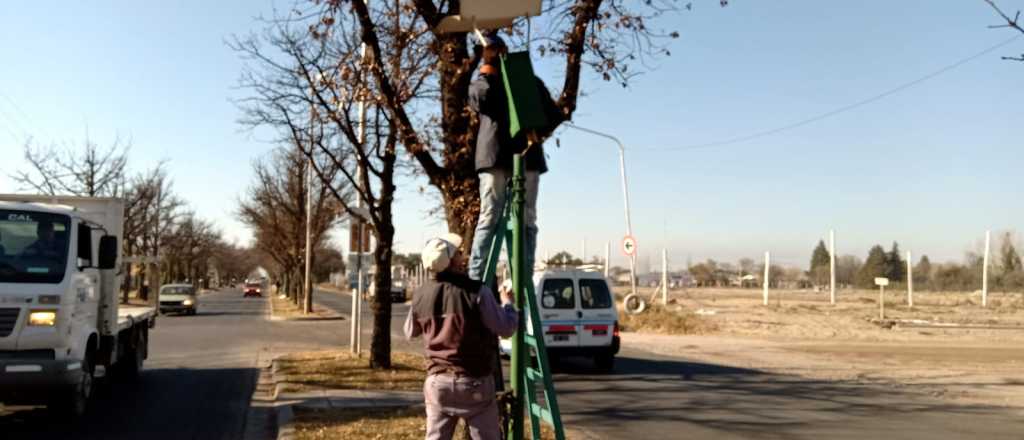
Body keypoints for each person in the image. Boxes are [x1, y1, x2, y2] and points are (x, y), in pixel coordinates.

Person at [466, 33, 564, 281]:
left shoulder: (527, 82)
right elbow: (481, 99)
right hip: (497, 156)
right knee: (492, 215)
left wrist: (536, 131)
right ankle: (477, 278)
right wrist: (487, 72)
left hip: (523, 156)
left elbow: (553, 114)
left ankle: (520, 276)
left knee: (524, 218)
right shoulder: (483, 83)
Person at [405, 233, 519, 440]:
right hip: (474, 382)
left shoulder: (420, 295)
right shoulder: (477, 292)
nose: (462, 256)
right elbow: (506, 328)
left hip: (438, 382)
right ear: (451, 262)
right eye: (457, 253)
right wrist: (508, 304)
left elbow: (410, 331)